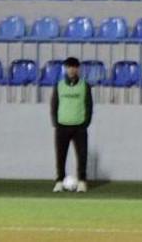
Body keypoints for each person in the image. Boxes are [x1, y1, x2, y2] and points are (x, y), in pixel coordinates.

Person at [51, 57, 93, 193]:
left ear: (77, 68)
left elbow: (89, 105)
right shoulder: (59, 85)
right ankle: (59, 181)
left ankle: (82, 181)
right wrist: (56, 122)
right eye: (69, 67)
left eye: (74, 67)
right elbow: (54, 105)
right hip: (62, 126)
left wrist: (86, 123)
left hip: (79, 126)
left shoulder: (84, 86)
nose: (71, 69)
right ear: (65, 68)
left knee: (82, 155)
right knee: (60, 155)